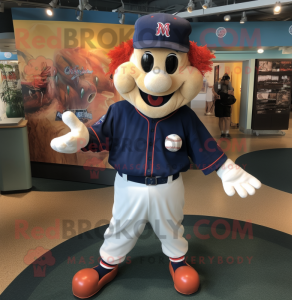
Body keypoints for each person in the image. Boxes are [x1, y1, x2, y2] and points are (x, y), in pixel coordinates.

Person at [50, 14, 261, 299]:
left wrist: (227, 168)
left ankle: (177, 261)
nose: (158, 78)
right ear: (130, 61)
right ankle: (106, 264)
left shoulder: (184, 116)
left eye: (171, 65)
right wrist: (83, 138)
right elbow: (101, 136)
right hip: (129, 185)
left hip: (168, 185)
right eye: (147, 62)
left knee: (172, 225)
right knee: (121, 225)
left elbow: (202, 144)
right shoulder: (119, 111)